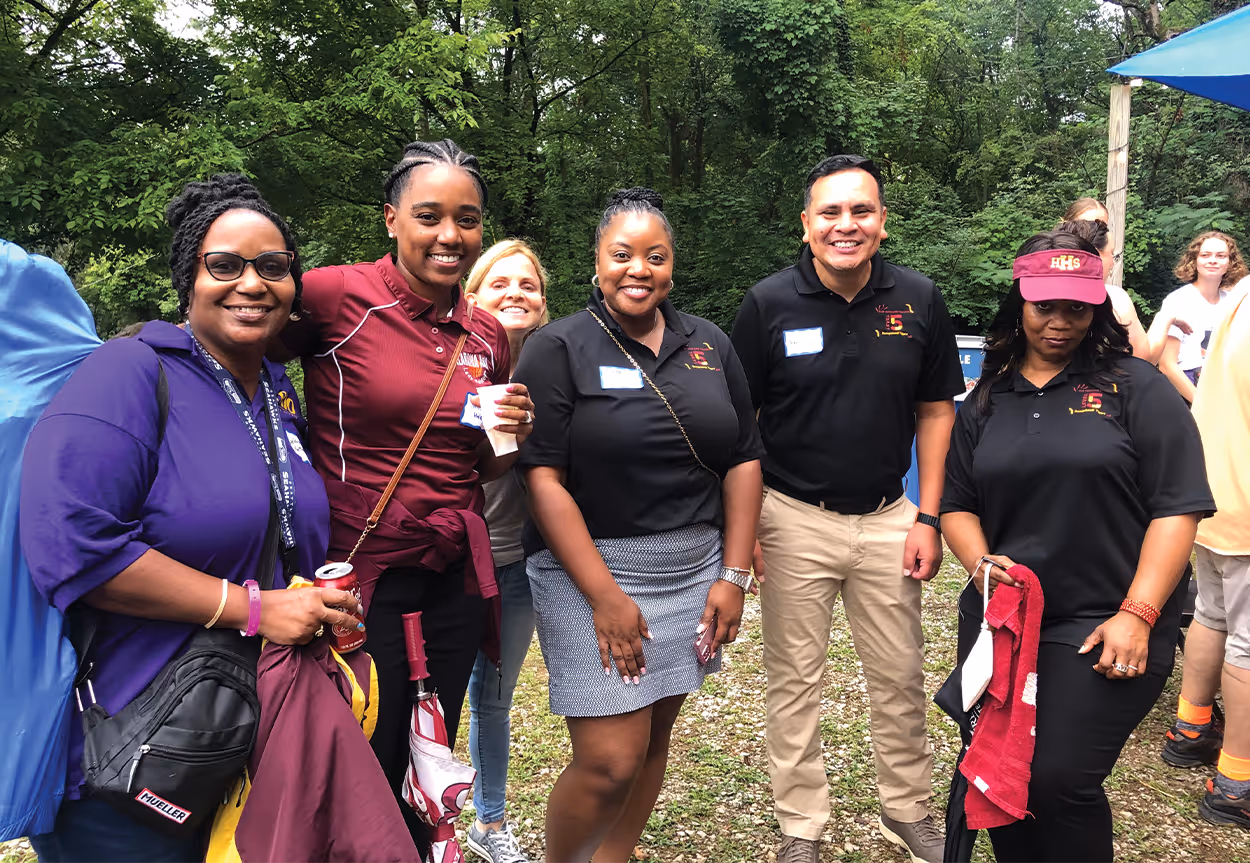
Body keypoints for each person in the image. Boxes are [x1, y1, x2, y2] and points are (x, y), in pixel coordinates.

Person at [19, 175, 358, 862]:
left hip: (243, 740)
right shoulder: (130, 372)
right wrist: (253, 609)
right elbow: (70, 544)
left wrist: (312, 602)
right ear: (188, 278)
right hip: (130, 752)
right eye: (225, 264)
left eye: (273, 266)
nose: (252, 283)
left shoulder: (276, 392)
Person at [275, 139, 535, 854]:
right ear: (391, 218)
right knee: (362, 747)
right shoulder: (335, 296)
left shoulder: (485, 331)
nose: (450, 234)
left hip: (452, 575)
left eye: (467, 219)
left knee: (429, 744)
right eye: (429, 216)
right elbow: (241, 347)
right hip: (362, 574)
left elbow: (485, 464)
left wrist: (513, 433)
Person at [941, 230, 1214, 862]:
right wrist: (980, 565)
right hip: (1006, 620)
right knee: (999, 772)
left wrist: (1139, 614)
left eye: (1077, 308)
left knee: (1058, 777)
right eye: (1045, 307)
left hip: (1105, 620)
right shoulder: (988, 397)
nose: (1059, 322)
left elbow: (1178, 508)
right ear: (1020, 305)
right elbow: (957, 504)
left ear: (1097, 311)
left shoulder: (1135, 387)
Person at [514, 187, 764, 863]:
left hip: (694, 568)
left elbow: (743, 456)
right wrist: (604, 596)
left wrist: (734, 573)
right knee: (609, 759)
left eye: (655, 256)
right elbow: (541, 478)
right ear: (596, 262)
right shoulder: (557, 346)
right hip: (589, 569)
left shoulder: (708, 342)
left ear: (672, 266)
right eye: (622, 254)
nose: (639, 269)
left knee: (654, 737)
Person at [730, 154, 964, 863]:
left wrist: (928, 516)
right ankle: (802, 823)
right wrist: (745, 528)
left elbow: (936, 411)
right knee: (794, 680)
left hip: (891, 517)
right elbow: (740, 425)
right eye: (830, 212)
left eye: (861, 210)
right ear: (806, 224)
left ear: (882, 222)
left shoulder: (918, 299)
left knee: (899, 675)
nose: (846, 224)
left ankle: (908, 809)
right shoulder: (768, 304)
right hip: (790, 515)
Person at [461, 239, 550, 862]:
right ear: (471, 298)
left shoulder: (560, 369)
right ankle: (417, 809)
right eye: (499, 283)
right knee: (426, 692)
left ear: (543, 303)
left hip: (519, 563)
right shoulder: (450, 368)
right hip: (450, 561)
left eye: (528, 285)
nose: (515, 293)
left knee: (492, 697)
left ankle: (488, 824)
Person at [1160, 276, 1250, 828]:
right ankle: (1237, 781)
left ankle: (1191, 729)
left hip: (1215, 490)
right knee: (1248, 642)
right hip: (1246, 498)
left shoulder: (1241, 294)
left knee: (1213, 616)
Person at [1057, 218, 1190, 363]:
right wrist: (1164, 318)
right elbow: (1142, 360)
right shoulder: (1114, 297)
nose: (1113, 262)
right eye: (1111, 253)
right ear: (1095, 254)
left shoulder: (1043, 293)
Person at [1060, 197, 1157, 358]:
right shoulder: (1116, 299)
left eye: (1102, 226)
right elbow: (1142, 358)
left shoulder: (1114, 295)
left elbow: (1140, 359)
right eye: (1086, 225)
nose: (1096, 231)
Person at [1156, 231, 1247, 403]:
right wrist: (1201, 405)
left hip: (1226, 389)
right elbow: (1167, 365)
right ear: (1194, 260)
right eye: (1205, 255)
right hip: (1188, 391)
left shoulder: (1233, 303)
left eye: (1221, 256)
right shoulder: (1178, 300)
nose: (1213, 260)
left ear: (1230, 262)